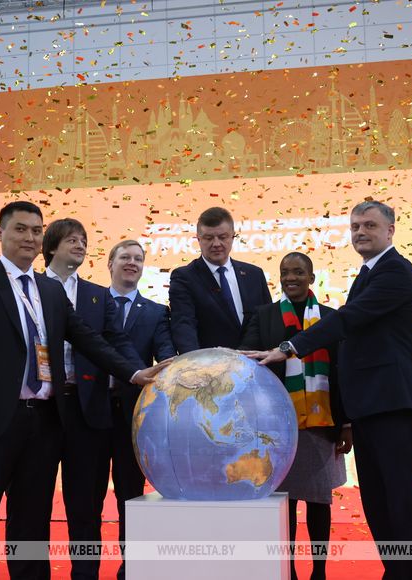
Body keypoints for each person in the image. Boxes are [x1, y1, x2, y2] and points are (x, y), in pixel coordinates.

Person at [0, 201, 164, 580]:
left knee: (31, 516)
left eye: (36, 230)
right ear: (0, 233)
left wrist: (134, 373)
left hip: (44, 420)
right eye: (20, 229)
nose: (29, 237)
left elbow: (90, 339)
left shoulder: (49, 290)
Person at [248, 200, 412, 580]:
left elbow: (348, 319)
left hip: (393, 404)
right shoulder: (368, 273)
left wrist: (289, 347)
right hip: (370, 406)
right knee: (379, 503)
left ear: (390, 230)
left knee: (401, 501)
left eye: (370, 225)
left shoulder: (395, 271)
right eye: (355, 227)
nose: (361, 232)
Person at [41, 218, 145, 580]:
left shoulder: (97, 296)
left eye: (84, 241)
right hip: (41, 408)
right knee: (33, 503)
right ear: (51, 247)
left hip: (86, 411)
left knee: (85, 504)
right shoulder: (30, 288)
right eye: (72, 240)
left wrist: (139, 372)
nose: (81, 246)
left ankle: (84, 574)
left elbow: (117, 342)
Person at [240, 252, 352, 580]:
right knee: (283, 505)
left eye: (299, 272)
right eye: (285, 272)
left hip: (322, 424)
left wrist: (347, 423)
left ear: (312, 278)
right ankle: (286, 569)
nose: (291, 278)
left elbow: (343, 374)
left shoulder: (331, 318)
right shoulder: (264, 316)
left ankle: (319, 571)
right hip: (277, 427)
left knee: (319, 502)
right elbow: (247, 360)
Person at [106, 239, 176, 580]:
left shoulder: (156, 312)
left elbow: (165, 354)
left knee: (129, 494)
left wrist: (173, 365)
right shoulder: (90, 304)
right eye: (125, 257)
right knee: (84, 495)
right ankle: (85, 567)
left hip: (134, 415)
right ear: (110, 263)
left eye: (138, 258)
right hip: (89, 412)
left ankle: (129, 565)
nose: (131, 262)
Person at [169, 206, 271, 353]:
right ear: (198, 239)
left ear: (233, 236)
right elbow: (184, 326)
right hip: (209, 364)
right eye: (209, 238)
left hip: (254, 362)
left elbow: (267, 322)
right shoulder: (184, 277)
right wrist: (193, 362)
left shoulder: (254, 275)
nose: (216, 244)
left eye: (222, 237)